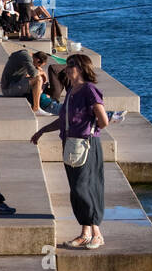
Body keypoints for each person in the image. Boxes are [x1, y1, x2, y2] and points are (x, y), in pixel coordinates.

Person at [31, 53, 115, 249]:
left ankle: (97, 233)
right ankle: (85, 232)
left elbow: (103, 120)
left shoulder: (89, 90)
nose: (68, 68)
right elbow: (63, 119)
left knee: (86, 188)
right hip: (70, 145)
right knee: (76, 189)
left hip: (86, 145)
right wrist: (42, 131)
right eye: (67, 65)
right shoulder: (71, 91)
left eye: (72, 65)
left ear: (82, 68)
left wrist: (90, 129)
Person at [1, 48, 53, 114]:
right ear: (37, 60)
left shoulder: (26, 57)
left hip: (13, 85)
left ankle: (42, 101)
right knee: (38, 79)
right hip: (8, 89)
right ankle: (36, 108)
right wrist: (42, 73)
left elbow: (28, 75)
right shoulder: (26, 57)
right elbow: (33, 73)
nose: (38, 67)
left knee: (39, 82)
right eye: (39, 65)